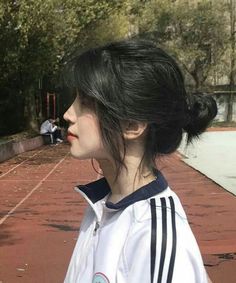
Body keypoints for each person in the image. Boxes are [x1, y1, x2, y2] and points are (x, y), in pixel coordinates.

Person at [63, 39, 217, 283]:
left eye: (86, 102)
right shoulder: (103, 204)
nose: (68, 114)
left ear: (132, 125)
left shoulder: (155, 238)